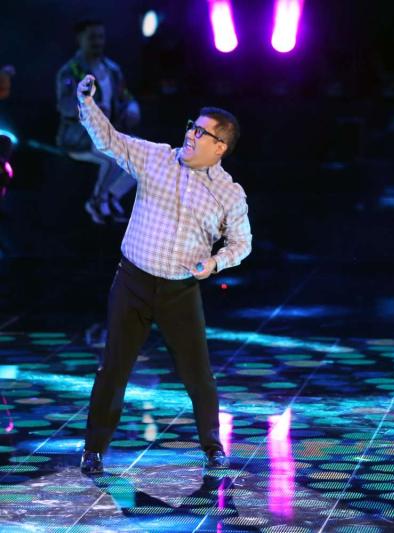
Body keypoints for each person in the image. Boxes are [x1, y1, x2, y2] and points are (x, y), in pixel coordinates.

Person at [74, 73, 252, 475]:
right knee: (114, 368)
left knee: (197, 374)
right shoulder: (155, 157)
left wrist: (215, 263)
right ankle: (93, 450)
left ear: (220, 147)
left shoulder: (229, 193)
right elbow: (110, 140)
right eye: (191, 126)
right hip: (133, 282)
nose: (190, 134)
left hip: (179, 291)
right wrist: (86, 103)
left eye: (201, 132)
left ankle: (212, 447)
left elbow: (242, 243)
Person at [56, 18, 140, 223]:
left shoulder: (112, 69)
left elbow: (124, 95)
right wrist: (88, 108)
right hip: (81, 136)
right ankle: (97, 201)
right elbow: (65, 105)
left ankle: (110, 197)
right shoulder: (71, 70)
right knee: (113, 158)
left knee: (140, 156)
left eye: (101, 37)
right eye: (92, 37)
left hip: (111, 132)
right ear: (80, 39)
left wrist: (132, 107)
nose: (98, 42)